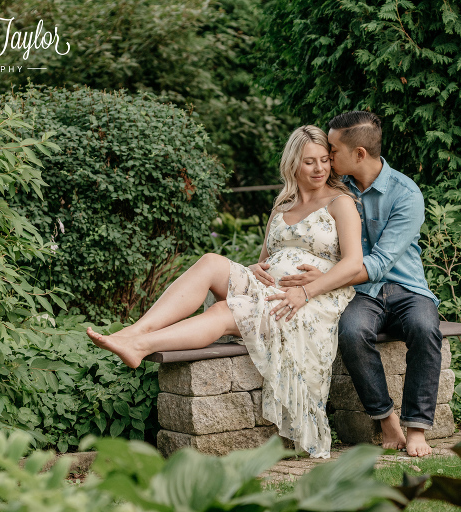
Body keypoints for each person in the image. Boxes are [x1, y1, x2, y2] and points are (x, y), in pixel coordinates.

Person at [87, 125, 363, 458]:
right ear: (293, 164)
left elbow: (352, 264)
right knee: (210, 262)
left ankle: (139, 346)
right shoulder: (282, 205)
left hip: (309, 301)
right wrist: (254, 269)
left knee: (223, 311)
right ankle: (134, 331)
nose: (320, 169)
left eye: (324, 160)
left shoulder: (340, 202)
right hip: (270, 288)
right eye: (309, 162)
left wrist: (312, 285)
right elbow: (265, 261)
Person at [276, 111, 442, 457]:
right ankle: (386, 419)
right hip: (360, 292)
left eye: (333, 151)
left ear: (359, 154)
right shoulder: (339, 188)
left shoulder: (406, 194)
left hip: (407, 289)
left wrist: (322, 280)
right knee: (351, 332)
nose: (328, 158)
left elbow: (380, 262)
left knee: (425, 328)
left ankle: (417, 429)